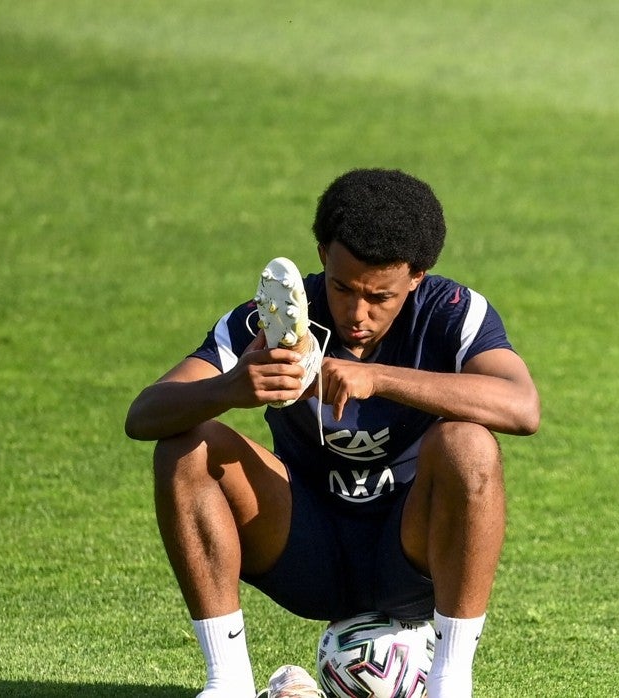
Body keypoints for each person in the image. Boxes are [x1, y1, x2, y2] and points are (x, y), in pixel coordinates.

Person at [125, 168, 541, 698]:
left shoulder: (451, 312)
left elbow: (522, 406)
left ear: (417, 275)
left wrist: (379, 379)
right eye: (343, 288)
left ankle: (449, 684)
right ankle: (226, 682)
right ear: (322, 254)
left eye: (380, 297)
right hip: (305, 546)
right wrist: (230, 389)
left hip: (411, 555)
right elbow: (144, 414)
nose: (357, 313)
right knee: (187, 444)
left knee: (469, 443)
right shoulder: (274, 318)